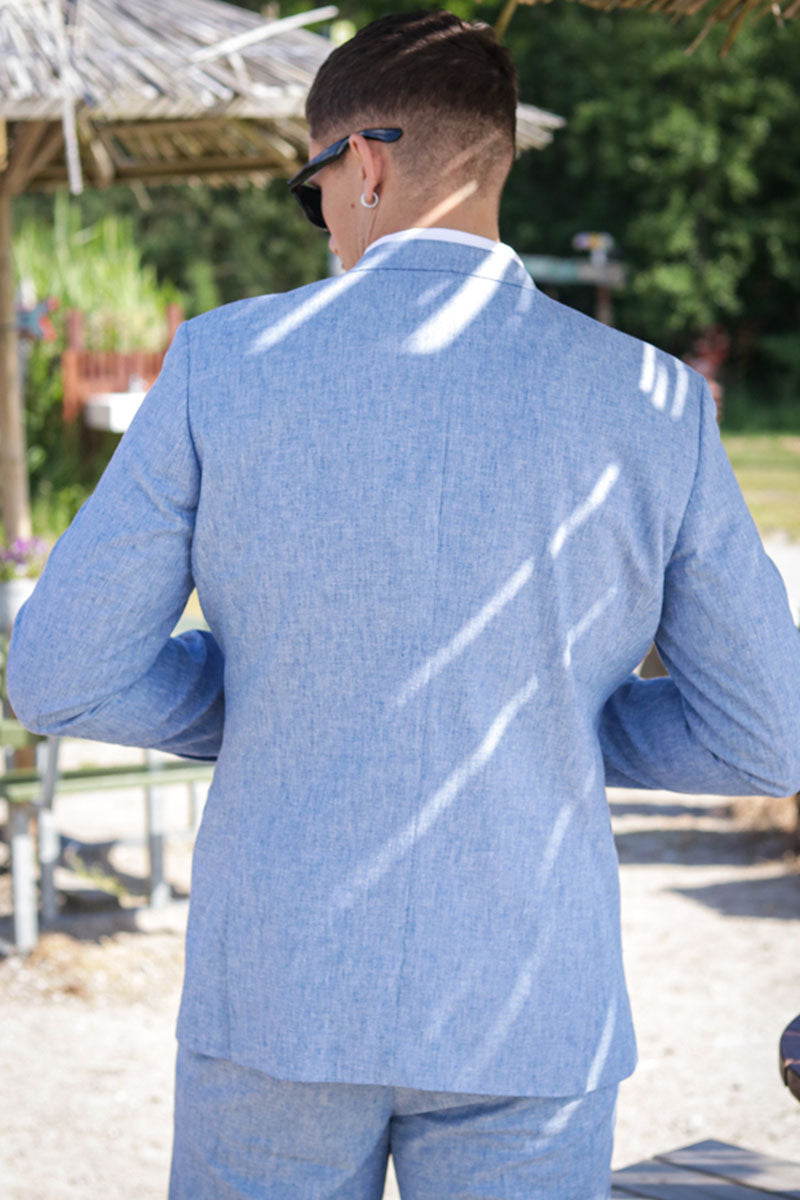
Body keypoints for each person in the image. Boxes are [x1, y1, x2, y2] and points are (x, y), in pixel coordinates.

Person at [7, 10, 800, 1198]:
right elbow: (765, 734)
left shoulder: (223, 364)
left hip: (278, 994)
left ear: (365, 163)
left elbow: (60, 674)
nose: (320, 217)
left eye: (311, 189)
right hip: (530, 1005)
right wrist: (557, 721)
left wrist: (271, 701)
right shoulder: (653, 402)